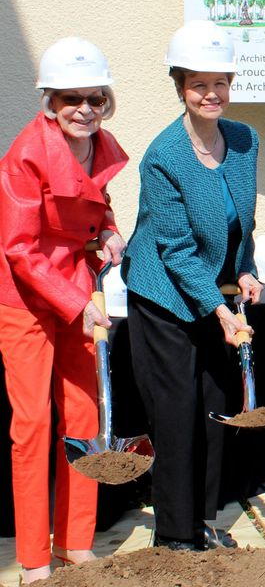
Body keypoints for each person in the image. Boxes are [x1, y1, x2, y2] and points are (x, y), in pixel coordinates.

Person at [122, 20, 262, 551]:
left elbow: (238, 224)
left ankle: (204, 519)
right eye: (199, 84)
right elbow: (176, 248)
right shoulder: (164, 156)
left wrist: (244, 269)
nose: (212, 94)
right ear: (180, 87)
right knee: (177, 413)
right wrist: (220, 311)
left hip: (212, 292)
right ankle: (175, 537)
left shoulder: (244, 141)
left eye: (220, 82)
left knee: (213, 407)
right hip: (164, 297)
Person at [0, 38, 127, 583]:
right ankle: (32, 556)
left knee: (84, 418)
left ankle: (75, 541)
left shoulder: (100, 145)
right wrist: (78, 304)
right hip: (26, 300)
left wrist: (110, 231)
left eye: (94, 98)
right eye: (71, 98)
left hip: (76, 290)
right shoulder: (25, 155)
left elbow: (95, 207)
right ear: (50, 101)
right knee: (32, 424)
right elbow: (20, 249)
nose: (84, 108)